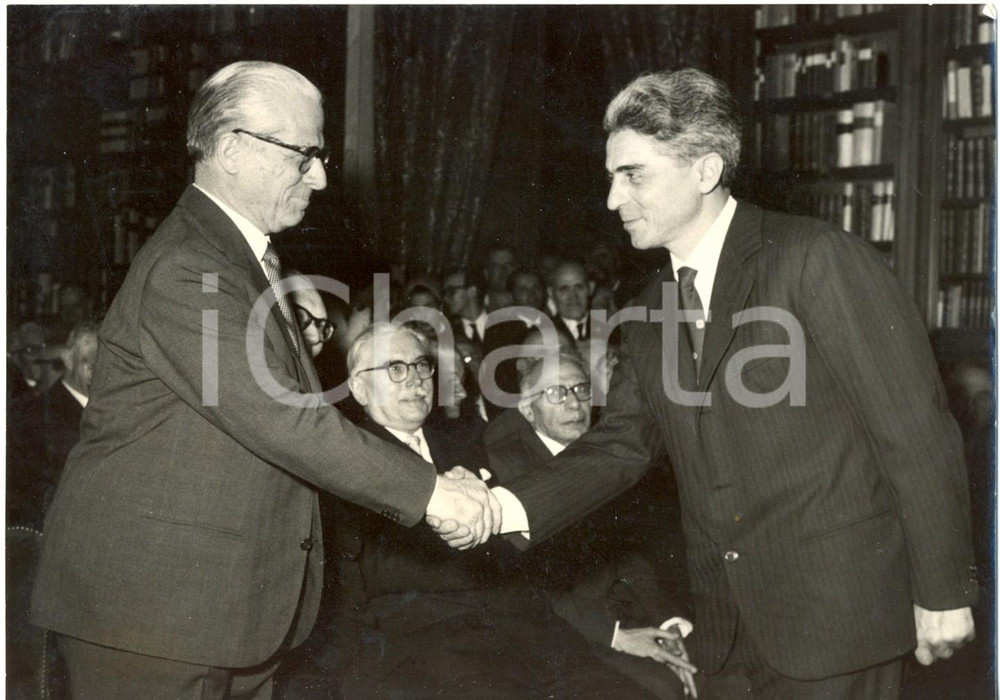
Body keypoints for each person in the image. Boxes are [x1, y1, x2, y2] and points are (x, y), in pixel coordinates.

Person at [438, 68, 978, 697]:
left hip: (840, 622)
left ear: (705, 171)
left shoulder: (814, 258)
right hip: (724, 636)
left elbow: (913, 430)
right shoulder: (646, 310)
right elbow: (621, 446)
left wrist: (944, 589)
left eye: (632, 174)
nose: (613, 199)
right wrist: (500, 508)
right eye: (611, 176)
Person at [30, 60, 498, 700]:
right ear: (231, 150)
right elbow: (284, 418)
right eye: (304, 155)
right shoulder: (189, 265)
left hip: (227, 611)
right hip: (152, 619)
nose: (323, 176)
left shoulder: (243, 260)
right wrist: (432, 494)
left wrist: (429, 473)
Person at [330, 323, 669, 698]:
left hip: (521, 622)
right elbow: (367, 579)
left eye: (421, 366)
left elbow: (515, 549)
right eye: (396, 368)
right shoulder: (350, 461)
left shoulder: (462, 443)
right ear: (360, 387)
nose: (415, 380)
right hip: (432, 640)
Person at [486, 353, 694, 699]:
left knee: (710, 664)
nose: (574, 403)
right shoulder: (511, 472)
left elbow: (630, 556)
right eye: (556, 393)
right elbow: (533, 586)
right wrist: (616, 636)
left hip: (627, 613)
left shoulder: (604, 458)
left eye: (582, 389)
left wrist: (668, 624)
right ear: (527, 410)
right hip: (569, 632)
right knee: (664, 689)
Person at [8, 320, 99, 529]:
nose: (94, 372)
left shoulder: (110, 411)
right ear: (67, 359)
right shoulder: (40, 415)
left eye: (102, 363)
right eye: (88, 362)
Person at [549, 260, 592, 342]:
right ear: (551, 293)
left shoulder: (611, 330)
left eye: (579, 287)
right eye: (564, 289)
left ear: (590, 288)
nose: (573, 296)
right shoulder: (540, 335)